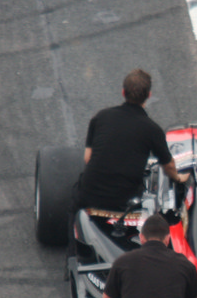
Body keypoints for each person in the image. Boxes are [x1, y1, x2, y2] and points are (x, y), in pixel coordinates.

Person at [70, 68, 189, 255]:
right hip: (123, 202)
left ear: (123, 92)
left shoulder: (101, 117)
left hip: (89, 195)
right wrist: (179, 178)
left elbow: (87, 158)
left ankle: (73, 250)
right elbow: (168, 166)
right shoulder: (152, 129)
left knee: (73, 207)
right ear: (148, 95)